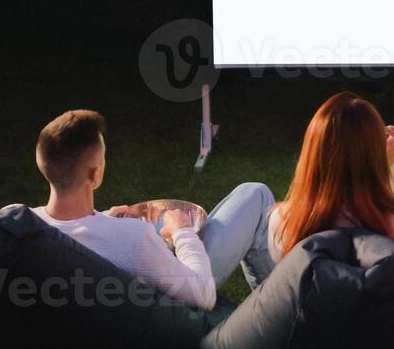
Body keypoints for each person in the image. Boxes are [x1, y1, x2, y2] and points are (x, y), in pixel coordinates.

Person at [30, 109, 274, 310]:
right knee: (256, 195)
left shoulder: (25, 225)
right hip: (170, 301)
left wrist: (102, 218)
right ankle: (278, 316)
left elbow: (76, 235)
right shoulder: (133, 238)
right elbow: (204, 295)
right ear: (95, 175)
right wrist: (183, 232)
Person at [261, 92, 394, 291]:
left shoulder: (281, 222)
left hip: (321, 328)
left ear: (312, 152)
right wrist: (387, 169)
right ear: (374, 156)